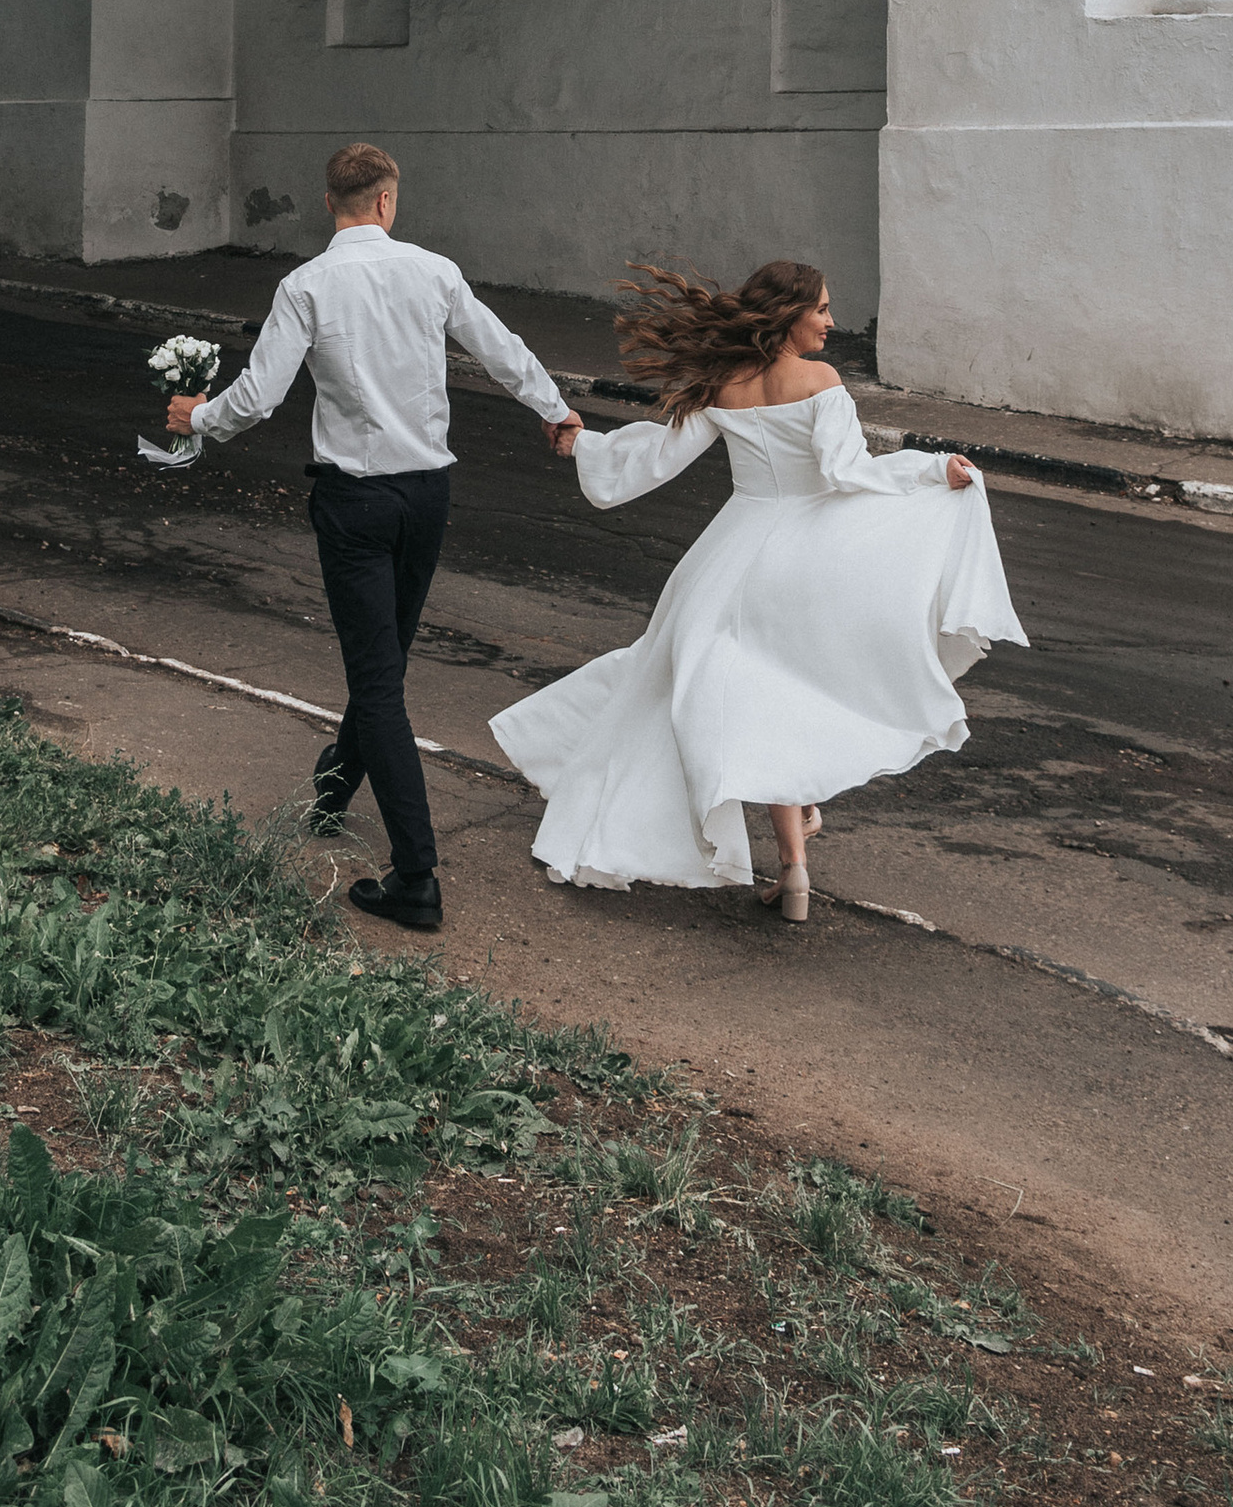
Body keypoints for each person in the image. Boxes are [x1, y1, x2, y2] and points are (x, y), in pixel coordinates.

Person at [490, 256, 1024, 916]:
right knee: (780, 699)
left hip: (727, 558)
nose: (832, 322)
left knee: (738, 697)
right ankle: (795, 860)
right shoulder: (820, 381)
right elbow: (846, 469)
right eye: (822, 309)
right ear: (789, 314)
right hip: (807, 558)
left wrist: (584, 448)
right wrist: (931, 469)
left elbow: (658, 458)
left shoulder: (724, 383)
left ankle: (788, 863)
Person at [169, 141, 581, 933]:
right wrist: (555, 409)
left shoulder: (307, 285)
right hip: (427, 496)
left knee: (378, 678)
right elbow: (503, 352)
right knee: (384, 658)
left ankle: (417, 876)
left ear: (332, 204)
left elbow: (258, 396)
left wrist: (199, 417)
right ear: (388, 202)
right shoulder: (434, 272)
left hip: (354, 505)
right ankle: (335, 784)